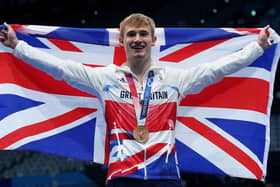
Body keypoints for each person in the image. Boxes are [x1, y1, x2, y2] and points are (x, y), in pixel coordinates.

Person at [0, 13, 271, 187]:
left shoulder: (176, 79)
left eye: (143, 34)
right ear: (122, 41)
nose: (137, 39)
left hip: (166, 179)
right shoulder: (104, 78)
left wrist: (257, 47)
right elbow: (59, 67)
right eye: (131, 34)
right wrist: (17, 46)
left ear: (153, 40)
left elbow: (219, 68)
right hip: (122, 178)